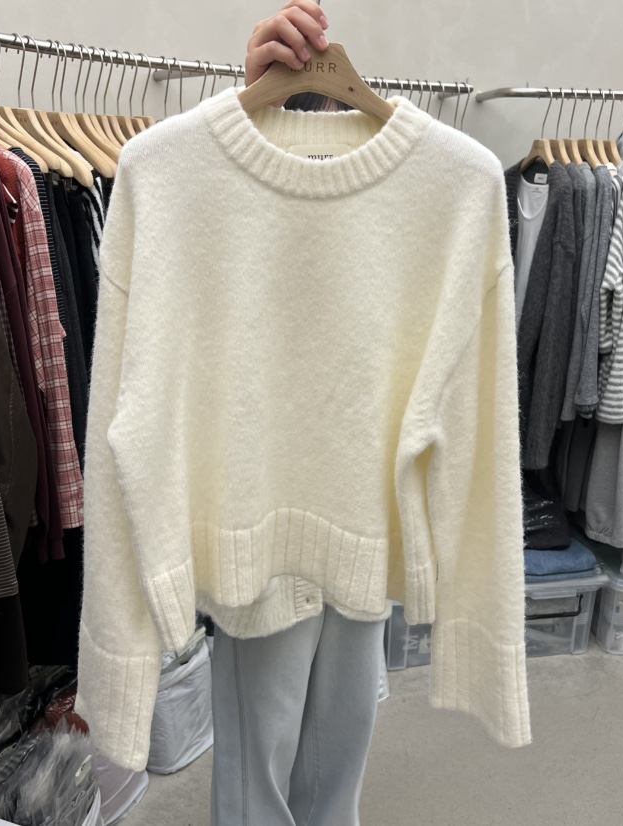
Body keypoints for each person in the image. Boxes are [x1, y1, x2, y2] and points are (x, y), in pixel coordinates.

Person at [209, 6, 388, 825]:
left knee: (341, 744)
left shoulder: (404, 176)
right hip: (265, 493)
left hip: (363, 495)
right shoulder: (224, 174)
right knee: (260, 754)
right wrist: (249, 106)